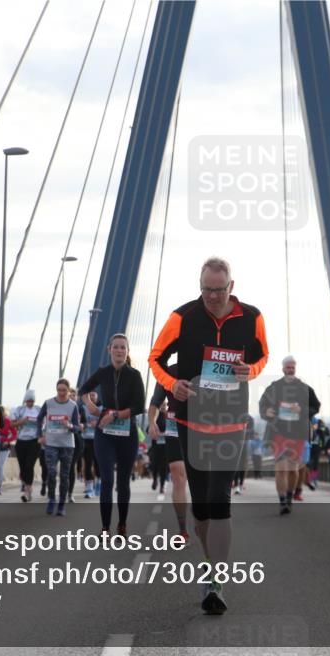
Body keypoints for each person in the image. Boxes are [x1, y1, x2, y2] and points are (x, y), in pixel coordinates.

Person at [149, 256, 269, 614]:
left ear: (231, 286)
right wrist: (174, 385)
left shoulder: (252, 317)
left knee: (220, 500)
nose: (212, 297)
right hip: (190, 424)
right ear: (199, 286)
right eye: (206, 290)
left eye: (218, 290)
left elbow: (263, 356)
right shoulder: (182, 317)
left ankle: (217, 579)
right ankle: (207, 561)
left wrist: (250, 371)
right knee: (201, 505)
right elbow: (155, 359)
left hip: (231, 423)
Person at [79, 333, 146, 539]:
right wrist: (90, 405)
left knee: (123, 482)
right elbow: (83, 389)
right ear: (109, 350)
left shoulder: (134, 375)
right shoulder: (103, 372)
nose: (119, 350)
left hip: (128, 434)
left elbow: (139, 407)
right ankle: (105, 528)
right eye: (116, 347)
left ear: (127, 352)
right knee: (107, 480)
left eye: (123, 347)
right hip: (105, 434)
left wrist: (115, 414)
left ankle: (122, 525)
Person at [259, 355, 321, 514]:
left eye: (292, 367)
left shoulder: (304, 388)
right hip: (278, 432)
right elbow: (263, 404)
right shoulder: (274, 387)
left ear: (295, 368)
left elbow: (316, 406)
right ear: (283, 368)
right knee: (280, 469)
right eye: (288, 367)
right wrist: (266, 411)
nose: (290, 369)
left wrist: (303, 410)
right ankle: (282, 502)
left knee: (293, 470)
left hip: (298, 434)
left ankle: (289, 496)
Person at [148, 375, 190, 539]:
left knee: (202, 480)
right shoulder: (168, 373)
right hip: (175, 428)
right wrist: (152, 422)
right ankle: (183, 530)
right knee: (178, 475)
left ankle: (203, 514)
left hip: (201, 428)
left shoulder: (206, 367)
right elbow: (155, 401)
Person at [37, 379, 80, 517]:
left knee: (64, 475)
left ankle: (61, 504)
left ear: (68, 391)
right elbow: (39, 418)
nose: (61, 393)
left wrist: (70, 426)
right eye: (59, 390)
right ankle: (51, 499)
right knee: (51, 472)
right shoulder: (49, 403)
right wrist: (40, 435)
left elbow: (77, 428)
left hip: (67, 445)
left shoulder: (73, 406)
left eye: (64, 390)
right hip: (51, 443)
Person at [11, 389, 41, 502]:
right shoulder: (19, 410)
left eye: (32, 401)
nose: (30, 403)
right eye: (28, 400)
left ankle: (27, 491)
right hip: (21, 441)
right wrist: (22, 421)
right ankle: (25, 485)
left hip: (34, 441)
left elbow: (45, 422)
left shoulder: (38, 409)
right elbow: (12, 425)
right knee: (23, 466)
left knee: (29, 465)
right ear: (25, 400)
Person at [67, 386, 85, 505]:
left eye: (74, 395)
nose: (73, 397)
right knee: (65, 468)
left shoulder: (80, 409)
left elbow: (84, 425)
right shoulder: (61, 407)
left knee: (71, 466)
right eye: (71, 395)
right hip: (61, 439)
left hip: (76, 440)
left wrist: (81, 426)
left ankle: (70, 494)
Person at [82, 390, 100, 498]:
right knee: (88, 464)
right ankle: (89, 487)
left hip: (99, 439)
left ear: (97, 397)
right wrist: (85, 424)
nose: (92, 397)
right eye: (90, 395)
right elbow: (79, 421)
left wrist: (98, 423)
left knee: (98, 464)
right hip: (86, 439)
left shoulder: (102, 409)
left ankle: (98, 483)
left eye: (93, 395)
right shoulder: (83, 408)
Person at [0, 412, 16, 495]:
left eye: (2, 414)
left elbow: (14, 435)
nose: (0, 416)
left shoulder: (8, 422)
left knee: (0, 466)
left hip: (4, 447)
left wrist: (7, 441)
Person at [307, 417, 328, 490]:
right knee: (308, 463)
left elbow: (323, 438)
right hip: (308, 447)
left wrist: (322, 448)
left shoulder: (319, 426)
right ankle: (308, 479)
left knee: (315, 464)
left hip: (316, 447)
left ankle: (314, 479)